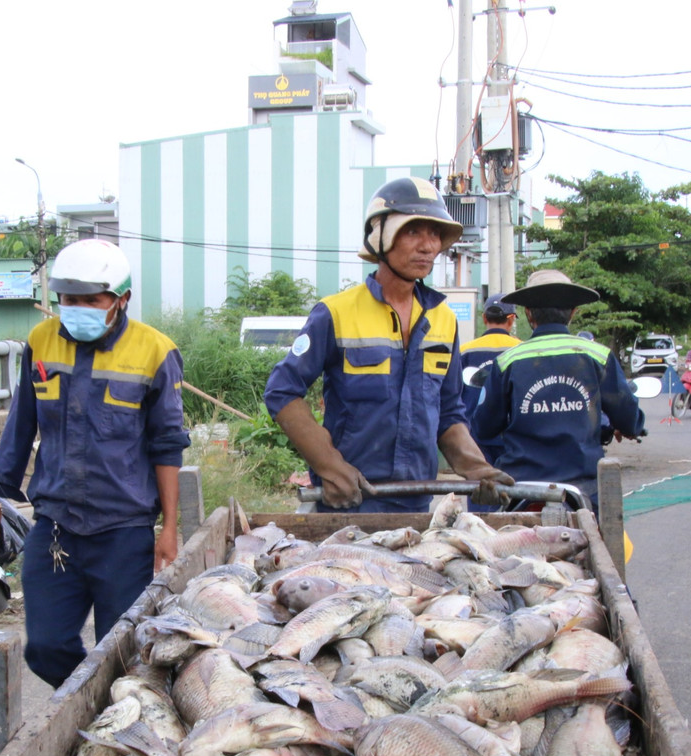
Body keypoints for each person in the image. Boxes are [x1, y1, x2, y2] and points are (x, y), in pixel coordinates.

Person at [0, 240, 189, 689]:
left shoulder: (155, 352)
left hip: (123, 532)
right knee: (46, 647)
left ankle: (115, 726)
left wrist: (168, 530)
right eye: (69, 300)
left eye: (92, 300)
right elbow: (19, 427)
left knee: (124, 650)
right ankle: (86, 706)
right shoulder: (41, 342)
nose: (78, 309)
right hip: (56, 526)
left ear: (121, 299)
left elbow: (166, 447)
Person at [263, 177, 513, 512]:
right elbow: (282, 391)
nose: (428, 245)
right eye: (413, 231)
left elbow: (449, 412)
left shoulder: (443, 319)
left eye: (435, 234)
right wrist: (328, 465)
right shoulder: (335, 313)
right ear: (379, 236)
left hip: (416, 503)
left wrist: (477, 468)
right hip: (351, 504)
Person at [471, 268, 645, 510]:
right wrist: (633, 426)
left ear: (528, 313)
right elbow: (627, 416)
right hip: (583, 487)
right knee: (604, 540)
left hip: (521, 485)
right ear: (573, 312)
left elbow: (484, 426)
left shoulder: (508, 360)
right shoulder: (598, 355)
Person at [459, 294, 523, 487]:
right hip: (513, 438)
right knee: (514, 497)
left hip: (474, 438)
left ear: (484, 318)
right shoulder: (522, 350)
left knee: (480, 496)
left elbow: (454, 394)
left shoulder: (464, 351)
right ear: (511, 319)